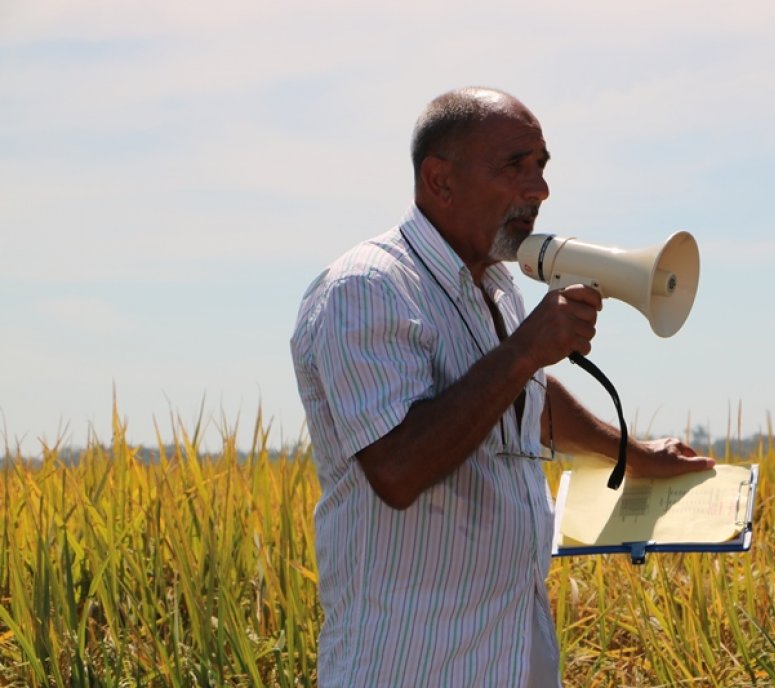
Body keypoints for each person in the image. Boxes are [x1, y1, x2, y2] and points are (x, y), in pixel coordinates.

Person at [290, 86, 715, 687]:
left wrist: (632, 452)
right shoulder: (366, 289)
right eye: (514, 167)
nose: (538, 189)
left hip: (511, 653)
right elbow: (397, 469)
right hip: (410, 663)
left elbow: (528, 401)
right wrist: (521, 351)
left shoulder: (498, 286)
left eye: (541, 168)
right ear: (440, 181)